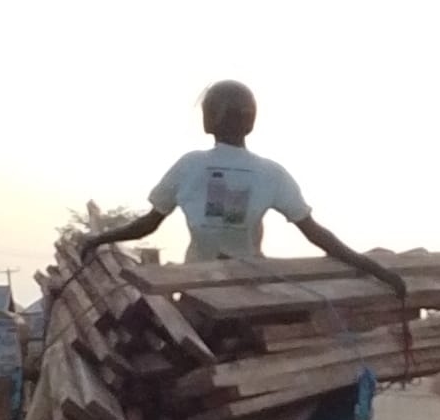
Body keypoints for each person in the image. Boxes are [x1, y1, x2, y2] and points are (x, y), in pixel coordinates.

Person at [79, 80, 406, 299]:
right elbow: (317, 234)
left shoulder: (189, 166)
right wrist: (376, 269)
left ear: (208, 120)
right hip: (249, 291)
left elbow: (147, 224)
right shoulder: (270, 173)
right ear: (251, 122)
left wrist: (99, 239)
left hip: (196, 288)